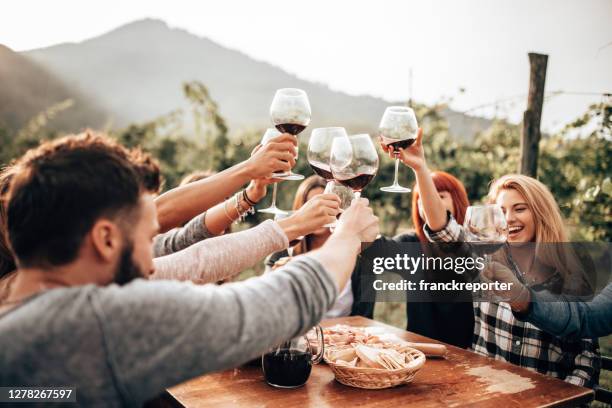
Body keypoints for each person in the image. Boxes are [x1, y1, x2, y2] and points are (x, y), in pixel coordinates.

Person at [0, 133, 379, 406]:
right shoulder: (103, 321)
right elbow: (273, 305)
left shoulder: (15, 304)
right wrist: (347, 236)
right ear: (105, 239)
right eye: (146, 240)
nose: (152, 263)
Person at [386, 128, 600, 387]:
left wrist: (560, 402)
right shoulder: (486, 261)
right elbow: (443, 230)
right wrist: (420, 168)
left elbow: (586, 363)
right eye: (501, 211)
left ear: (541, 214)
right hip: (482, 394)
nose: (509, 218)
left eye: (520, 209)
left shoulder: (571, 275)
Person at [265, 175, 377, 319]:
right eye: (312, 205)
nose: (320, 212)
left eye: (327, 204)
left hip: (343, 338)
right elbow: (270, 311)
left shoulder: (360, 258)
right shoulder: (282, 255)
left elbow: (364, 318)